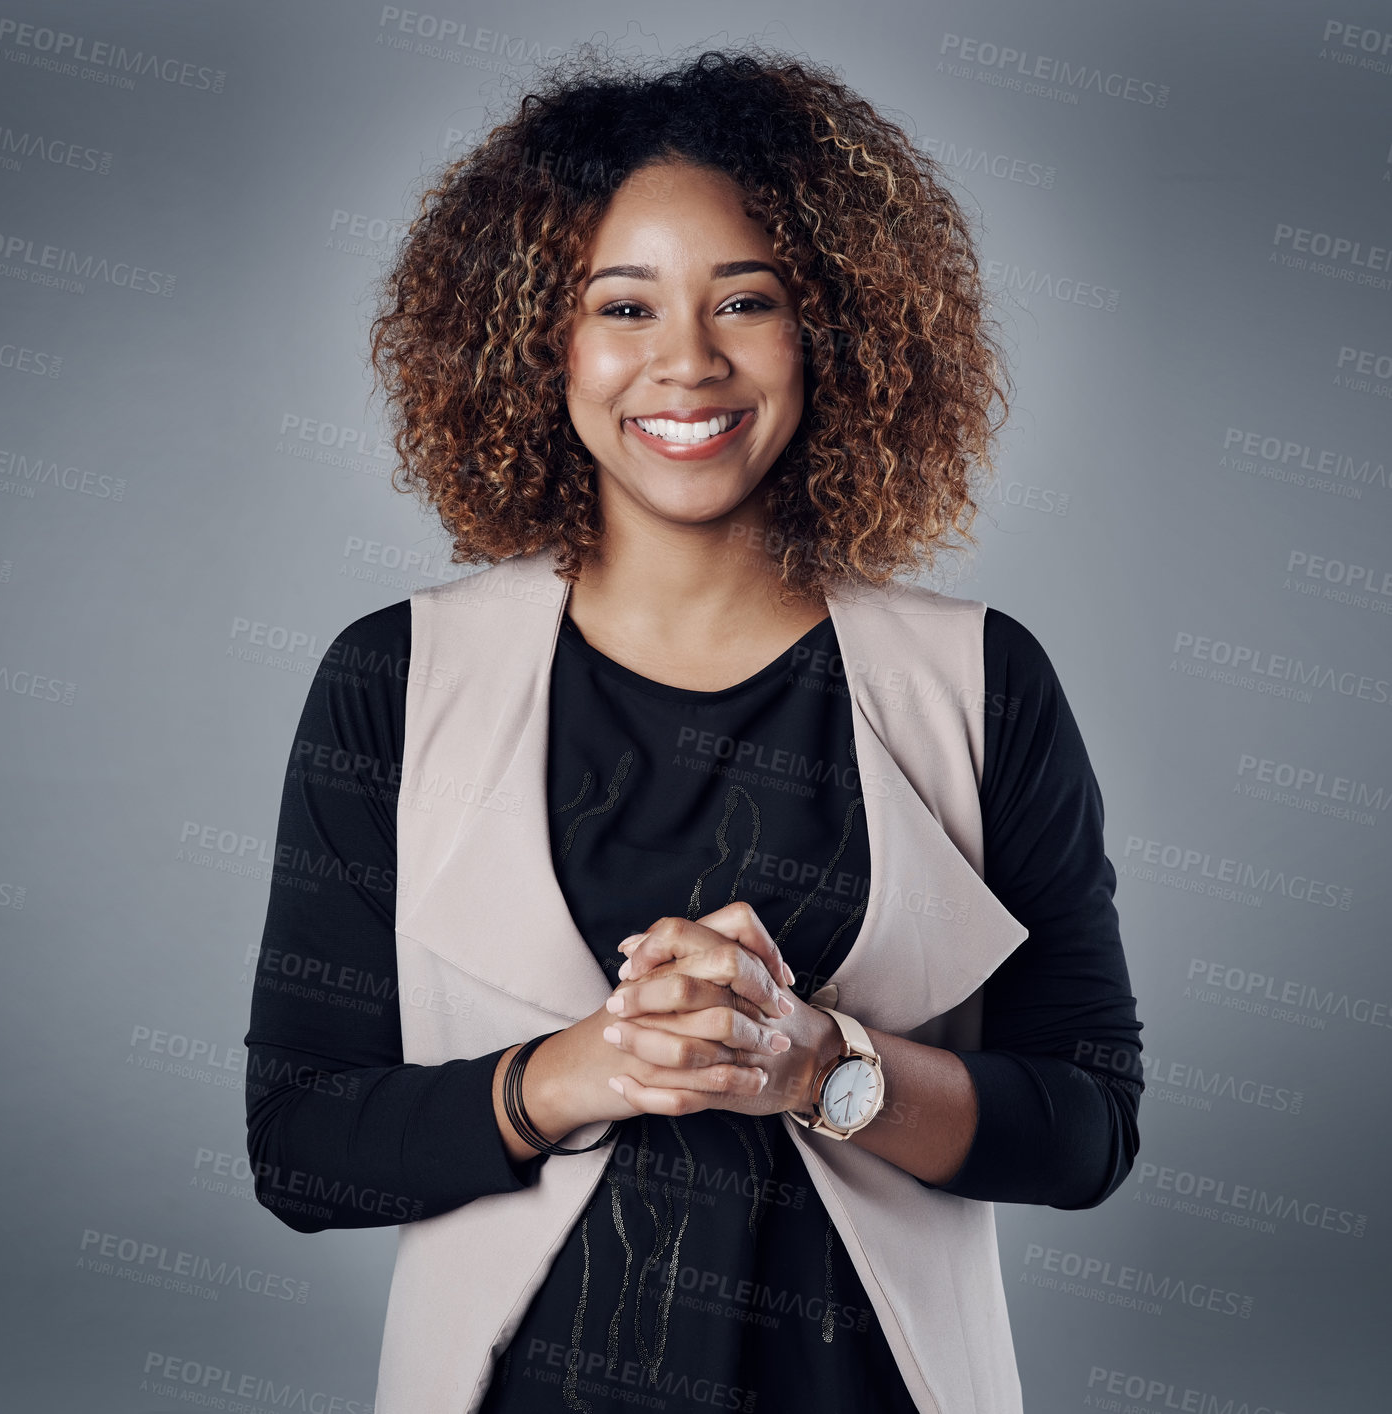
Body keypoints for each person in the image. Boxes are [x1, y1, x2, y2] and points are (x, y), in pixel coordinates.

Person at [243, 45, 1143, 1414]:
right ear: (536, 338)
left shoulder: (979, 680)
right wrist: (581, 1068)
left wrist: (819, 1064)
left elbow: (1087, 1130)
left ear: (829, 330)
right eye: (622, 304)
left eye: (747, 299)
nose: (685, 362)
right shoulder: (394, 675)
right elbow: (300, 1144)